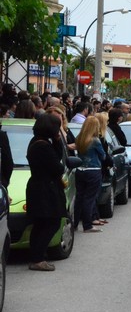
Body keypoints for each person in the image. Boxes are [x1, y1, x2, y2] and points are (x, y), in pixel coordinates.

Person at [26, 114, 67, 271]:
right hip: (45, 189)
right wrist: (58, 142)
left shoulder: (37, 142)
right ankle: (37, 258)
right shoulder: (43, 146)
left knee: (40, 223)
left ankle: (37, 255)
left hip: (39, 186)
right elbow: (58, 166)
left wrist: (56, 141)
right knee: (52, 222)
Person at [75, 117, 106, 234]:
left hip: (80, 169)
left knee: (79, 198)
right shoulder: (95, 141)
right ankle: (87, 225)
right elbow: (103, 156)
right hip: (93, 170)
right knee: (89, 198)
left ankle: (75, 222)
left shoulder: (79, 138)